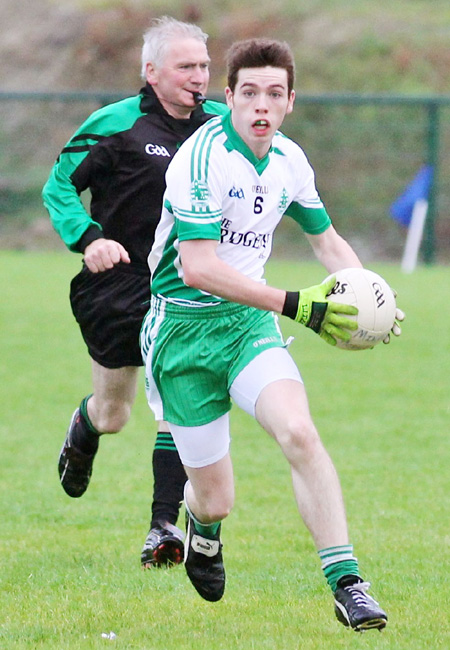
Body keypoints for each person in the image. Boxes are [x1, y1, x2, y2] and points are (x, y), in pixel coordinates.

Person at [141, 38, 404, 630]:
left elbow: (328, 242)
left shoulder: (290, 159)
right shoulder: (200, 159)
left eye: (275, 94)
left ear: (290, 102)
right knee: (215, 499)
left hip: (247, 327)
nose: (262, 106)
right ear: (229, 97)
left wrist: (373, 297)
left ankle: (348, 584)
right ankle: (202, 530)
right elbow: (199, 268)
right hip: (180, 333)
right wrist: (296, 305)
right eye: (250, 93)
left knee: (300, 432)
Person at [42, 16, 228, 568]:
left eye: (204, 67)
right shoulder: (114, 124)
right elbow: (58, 187)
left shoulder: (222, 126)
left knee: (176, 403)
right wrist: (88, 239)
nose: (198, 77)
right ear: (151, 71)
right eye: (185, 66)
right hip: (117, 286)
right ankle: (86, 422)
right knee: (116, 412)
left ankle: (163, 527)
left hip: (186, 287)